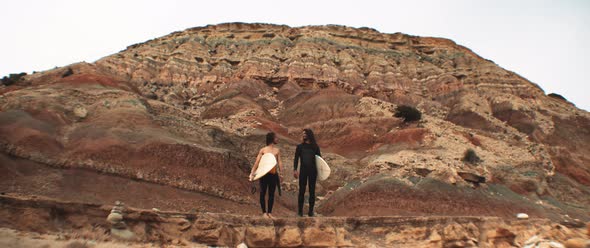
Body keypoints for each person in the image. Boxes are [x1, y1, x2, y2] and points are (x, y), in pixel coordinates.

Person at [249, 132, 283, 218]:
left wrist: (281, 174)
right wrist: (252, 173)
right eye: (276, 138)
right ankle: (264, 212)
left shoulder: (277, 150)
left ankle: (270, 213)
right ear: (272, 138)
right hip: (264, 174)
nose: (277, 139)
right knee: (262, 193)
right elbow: (257, 162)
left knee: (271, 194)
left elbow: (279, 163)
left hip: (273, 174)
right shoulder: (263, 150)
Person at [293, 128, 321, 217]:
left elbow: (319, 159)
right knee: (302, 190)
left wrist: (320, 172)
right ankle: (300, 212)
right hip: (303, 171)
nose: (303, 135)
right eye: (303, 134)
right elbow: (296, 159)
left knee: (312, 191)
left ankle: (310, 212)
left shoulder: (315, 147)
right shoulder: (300, 147)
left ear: (309, 134)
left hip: (313, 171)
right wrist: (295, 169)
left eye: (305, 133)